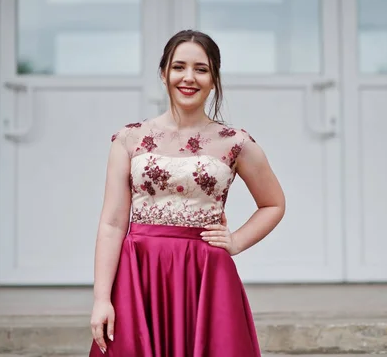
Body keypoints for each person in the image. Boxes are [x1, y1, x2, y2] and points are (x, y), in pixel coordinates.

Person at [89, 29, 285, 357]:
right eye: (179, 67)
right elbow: (111, 224)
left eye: (201, 69)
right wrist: (101, 299)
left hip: (206, 274)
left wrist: (236, 241)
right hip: (140, 274)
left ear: (214, 78)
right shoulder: (129, 139)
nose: (188, 77)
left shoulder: (234, 142)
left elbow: (273, 203)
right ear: (164, 73)